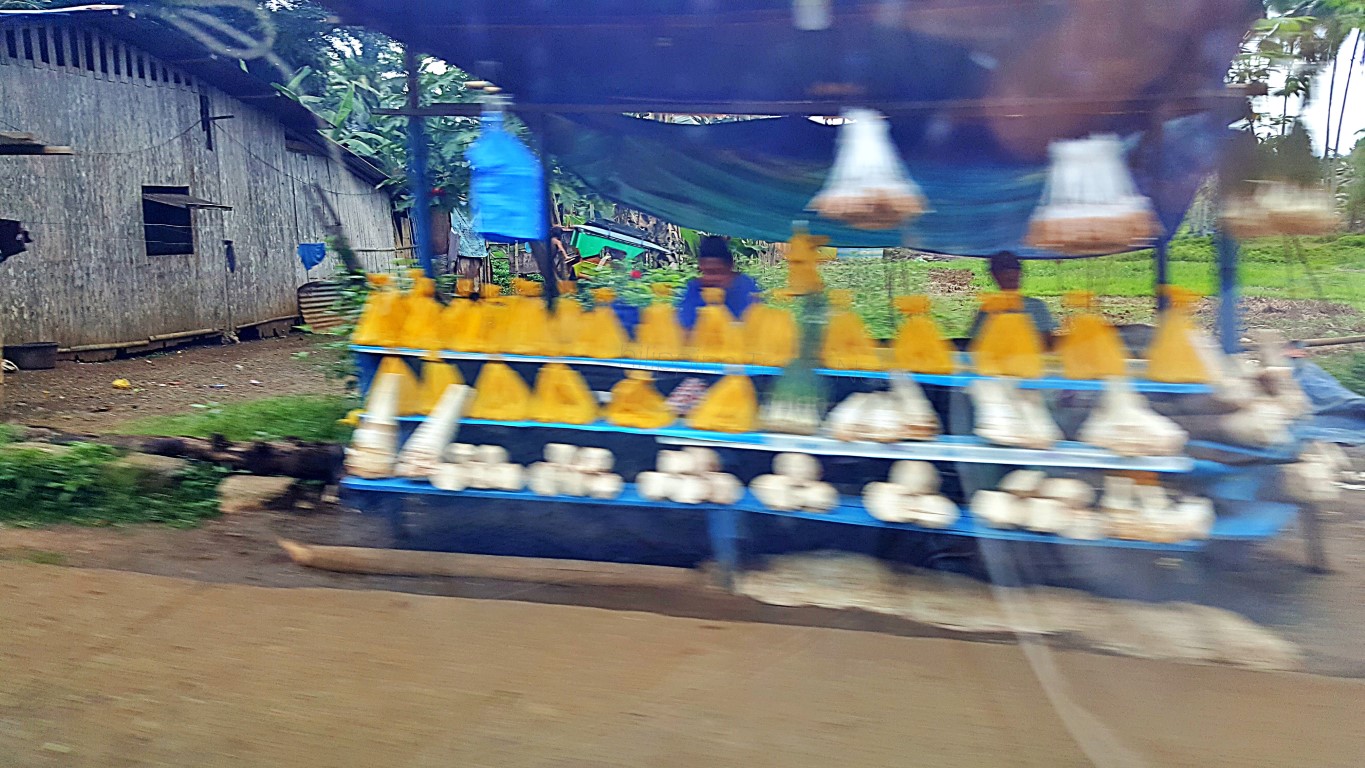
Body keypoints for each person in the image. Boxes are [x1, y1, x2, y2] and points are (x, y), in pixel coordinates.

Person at [968, 250, 1057, 347]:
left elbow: (1047, 343)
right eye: (1004, 273)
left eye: (1012, 272)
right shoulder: (988, 309)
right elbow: (978, 344)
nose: (1009, 275)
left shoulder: (1036, 307)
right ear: (995, 276)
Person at [676, 235, 761, 330]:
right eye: (707, 272)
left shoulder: (746, 287)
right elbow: (683, 326)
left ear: (730, 267)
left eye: (717, 271)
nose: (712, 278)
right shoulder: (695, 288)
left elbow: (758, 324)